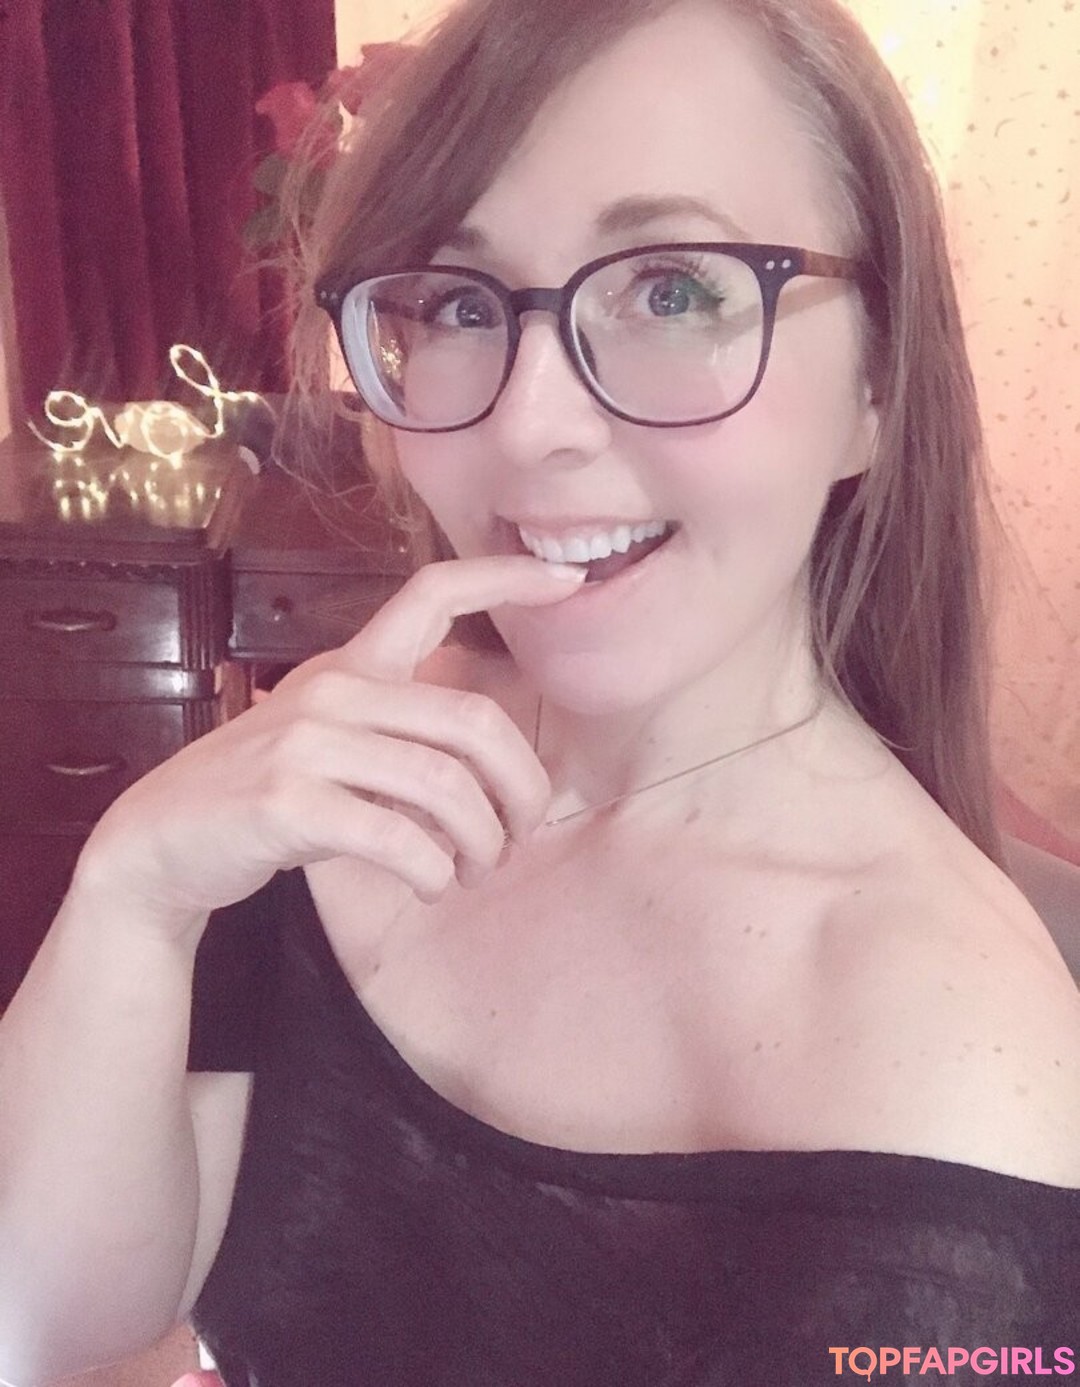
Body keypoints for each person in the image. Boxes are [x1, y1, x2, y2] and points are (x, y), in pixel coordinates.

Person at [2, 0, 1079, 1383]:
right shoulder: (356, 768)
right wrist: (131, 898)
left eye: (674, 291)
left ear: (877, 377)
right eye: (459, 304)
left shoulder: (958, 1083)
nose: (529, 425)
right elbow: (56, 1338)